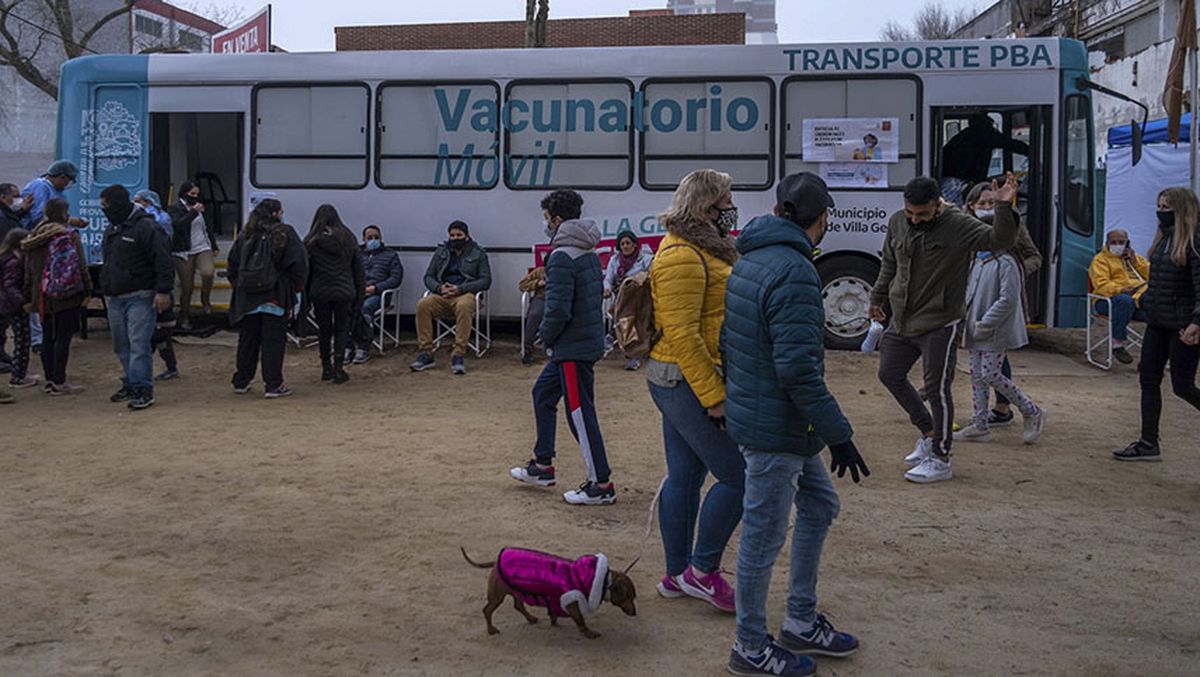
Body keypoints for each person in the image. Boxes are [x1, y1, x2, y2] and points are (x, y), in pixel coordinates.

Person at [723, 172, 868, 676]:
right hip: (777, 428)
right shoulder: (797, 271)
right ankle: (749, 644)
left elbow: (738, 344)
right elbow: (798, 370)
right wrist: (840, 434)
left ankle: (801, 620)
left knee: (821, 504)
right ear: (821, 217)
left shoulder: (752, 258)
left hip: (765, 416)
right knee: (763, 535)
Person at [869, 174, 1019, 484]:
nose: (915, 219)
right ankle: (927, 431)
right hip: (903, 317)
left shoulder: (958, 224)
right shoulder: (898, 222)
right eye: (910, 212)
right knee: (889, 373)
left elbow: (1000, 241)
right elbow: (889, 262)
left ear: (937, 205)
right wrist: (877, 296)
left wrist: (1004, 207)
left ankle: (941, 456)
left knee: (937, 388)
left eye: (922, 214)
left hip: (940, 321)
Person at [641, 169, 744, 612]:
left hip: (679, 378)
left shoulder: (698, 248)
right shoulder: (683, 255)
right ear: (706, 207)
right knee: (739, 477)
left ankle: (677, 574)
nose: (731, 209)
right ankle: (702, 571)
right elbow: (683, 335)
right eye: (726, 201)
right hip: (685, 380)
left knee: (685, 478)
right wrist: (715, 398)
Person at [510, 189, 616, 506]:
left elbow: (557, 309)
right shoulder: (587, 252)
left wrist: (543, 337)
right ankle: (543, 465)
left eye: (546, 219)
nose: (546, 225)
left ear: (556, 219)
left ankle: (601, 484)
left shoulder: (560, 256)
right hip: (581, 343)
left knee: (580, 415)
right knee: (542, 394)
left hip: (571, 348)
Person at [1114, 188, 1200, 461]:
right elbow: (1158, 280)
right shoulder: (1163, 241)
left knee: (1182, 386)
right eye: (1159, 206)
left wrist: (1196, 322)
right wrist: (1146, 303)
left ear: (1182, 210)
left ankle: (1149, 442)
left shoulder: (1194, 242)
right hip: (1158, 321)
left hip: (1183, 324)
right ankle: (1148, 441)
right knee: (1148, 379)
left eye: (1166, 207)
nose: (1161, 211)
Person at [965, 181, 1044, 422]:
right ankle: (981, 421)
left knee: (992, 367)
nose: (987, 207)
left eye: (992, 203)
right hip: (975, 303)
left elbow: (1033, 257)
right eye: (982, 203)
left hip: (997, 306)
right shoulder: (966, 231)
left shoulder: (1010, 245)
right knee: (979, 371)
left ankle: (1015, 407)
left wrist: (1014, 275)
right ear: (971, 206)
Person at [954, 247, 1046, 444]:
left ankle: (1031, 410)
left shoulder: (1005, 262)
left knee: (990, 374)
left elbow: (1008, 299)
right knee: (977, 376)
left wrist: (987, 322)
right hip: (976, 328)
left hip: (995, 330)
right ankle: (980, 425)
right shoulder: (978, 261)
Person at [99, 185, 174, 411]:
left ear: (119, 204)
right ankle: (131, 382)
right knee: (121, 345)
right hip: (115, 296)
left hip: (141, 295)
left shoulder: (147, 227)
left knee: (139, 344)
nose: (103, 210)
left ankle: (143, 389)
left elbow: (163, 261)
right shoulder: (113, 228)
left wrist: (163, 291)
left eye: (106, 205)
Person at [227, 199, 308, 399]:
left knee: (247, 341)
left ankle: (241, 381)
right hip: (275, 296)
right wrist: (296, 287)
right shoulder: (284, 233)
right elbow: (299, 264)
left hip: (247, 299)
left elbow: (232, 264)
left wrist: (239, 286)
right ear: (276, 213)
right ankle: (273, 384)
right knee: (273, 342)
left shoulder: (246, 234)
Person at [21, 198, 91, 395]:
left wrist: (29, 293)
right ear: (64, 213)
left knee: (47, 338)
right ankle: (60, 381)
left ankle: (50, 378)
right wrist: (87, 290)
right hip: (66, 293)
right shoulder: (68, 234)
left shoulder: (35, 235)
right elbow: (80, 265)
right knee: (63, 337)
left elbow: (28, 268)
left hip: (42, 295)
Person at [411, 221, 492, 375]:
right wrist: (439, 288)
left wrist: (460, 289)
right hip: (443, 294)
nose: (455, 238)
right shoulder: (441, 251)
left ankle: (458, 354)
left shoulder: (478, 253)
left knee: (463, 306)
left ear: (467, 236)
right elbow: (428, 276)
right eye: (452, 235)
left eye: (459, 235)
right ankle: (426, 353)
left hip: (466, 294)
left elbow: (485, 280)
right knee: (423, 304)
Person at [304, 204, 365, 385]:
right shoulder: (348, 238)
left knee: (324, 330)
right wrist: (359, 296)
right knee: (341, 330)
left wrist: (305, 297)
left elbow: (305, 271)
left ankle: (326, 368)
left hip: (320, 292)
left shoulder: (310, 241)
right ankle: (339, 368)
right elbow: (358, 272)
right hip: (344, 292)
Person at [1089, 228, 1150, 365]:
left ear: (1127, 243)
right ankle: (1117, 343)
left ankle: (1150, 360)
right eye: (1114, 242)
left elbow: (1155, 275)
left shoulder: (1135, 258)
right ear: (1107, 243)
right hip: (1108, 300)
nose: (1117, 245)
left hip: (1137, 301)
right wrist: (1121, 289)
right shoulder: (1100, 260)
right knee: (1124, 301)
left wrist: (1136, 263)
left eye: (1121, 242)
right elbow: (1101, 285)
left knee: (1158, 314)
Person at [939, 114, 1029, 206]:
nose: (994, 130)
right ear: (986, 126)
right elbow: (1010, 144)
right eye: (991, 127)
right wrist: (1031, 151)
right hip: (957, 183)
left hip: (949, 180)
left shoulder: (963, 136)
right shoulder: (983, 134)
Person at [167, 181, 218, 329]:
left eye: (197, 194)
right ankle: (184, 317)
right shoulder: (175, 208)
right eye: (192, 194)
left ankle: (205, 299)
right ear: (184, 194)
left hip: (202, 246)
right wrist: (193, 212)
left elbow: (207, 227)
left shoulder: (201, 207)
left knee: (208, 272)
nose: (196, 197)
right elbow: (179, 226)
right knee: (187, 286)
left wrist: (213, 245)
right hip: (183, 250)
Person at [604, 230, 654, 370]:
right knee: (626, 321)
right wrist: (607, 288)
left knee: (635, 323)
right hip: (621, 297)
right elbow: (608, 279)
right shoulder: (615, 260)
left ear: (634, 245)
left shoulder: (645, 258)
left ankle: (630, 352)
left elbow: (653, 272)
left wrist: (641, 277)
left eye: (628, 243)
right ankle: (630, 353)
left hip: (642, 298)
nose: (625, 246)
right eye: (622, 244)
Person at [354, 224, 403, 364]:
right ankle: (347, 346)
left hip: (378, 295)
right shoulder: (356, 254)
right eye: (370, 238)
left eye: (376, 237)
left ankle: (363, 347)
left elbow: (396, 278)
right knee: (343, 306)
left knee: (365, 308)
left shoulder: (391, 255)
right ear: (363, 239)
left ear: (381, 238)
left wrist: (376, 288)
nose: (373, 240)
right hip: (357, 292)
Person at [0, 227, 33, 399]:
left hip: (5, 305)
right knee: (22, 340)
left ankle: (19, 374)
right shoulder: (14, 262)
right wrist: (23, 302)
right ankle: (19, 376)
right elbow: (10, 286)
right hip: (13, 306)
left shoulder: (6, 258)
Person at [18, 160, 89, 229]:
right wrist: (70, 221)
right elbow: (39, 218)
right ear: (62, 177)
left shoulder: (57, 190)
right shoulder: (40, 187)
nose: (68, 184)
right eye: (69, 181)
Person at [0, 183, 24, 372]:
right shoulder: (2, 217)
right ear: (3, 197)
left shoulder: (8, 214)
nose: (18, 199)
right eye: (15, 196)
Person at [518, 265, 546, 366]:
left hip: (561, 298)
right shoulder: (540, 272)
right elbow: (522, 285)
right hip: (542, 297)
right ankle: (527, 351)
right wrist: (537, 283)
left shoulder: (567, 270)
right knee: (534, 315)